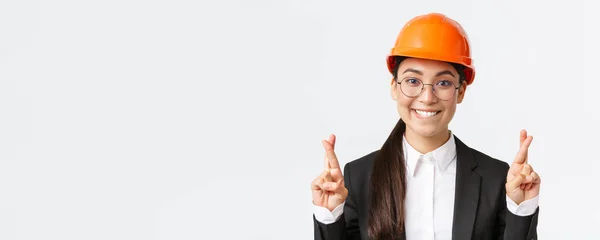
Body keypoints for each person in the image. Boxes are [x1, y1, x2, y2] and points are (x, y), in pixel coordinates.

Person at [311, 13, 541, 240]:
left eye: (443, 83)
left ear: (460, 92)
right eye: (413, 81)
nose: (427, 97)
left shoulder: (495, 177)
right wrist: (329, 217)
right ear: (394, 86)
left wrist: (521, 209)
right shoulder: (359, 177)